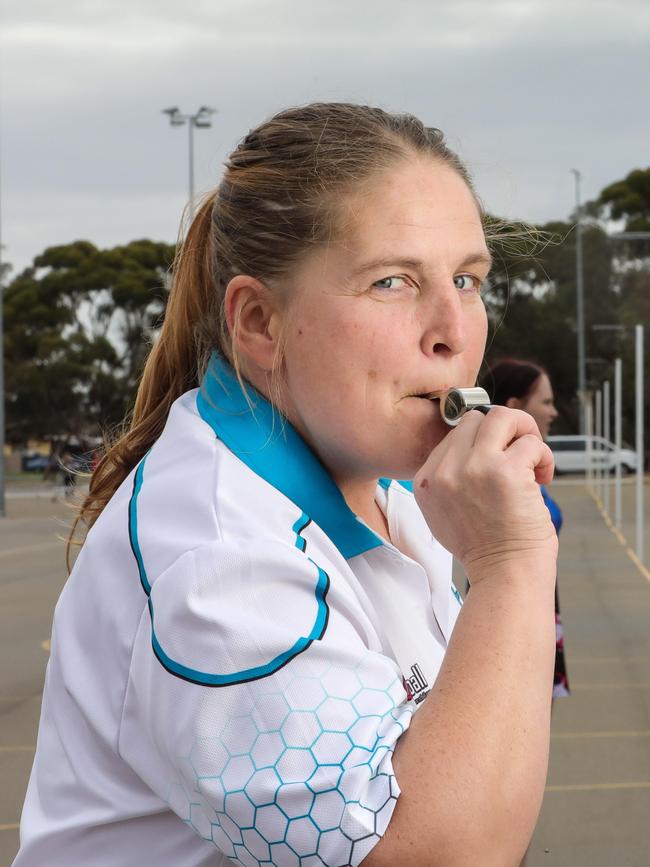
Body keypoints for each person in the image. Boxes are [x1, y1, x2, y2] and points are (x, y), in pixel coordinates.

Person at [14, 104, 558, 867]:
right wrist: (513, 565)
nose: (453, 330)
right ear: (260, 323)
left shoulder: (386, 489)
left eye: (468, 279)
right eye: (392, 281)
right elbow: (433, 854)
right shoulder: (215, 555)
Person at [481, 358, 570, 697]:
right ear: (515, 407)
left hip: (539, 601)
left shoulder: (520, 467)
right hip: (510, 609)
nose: (554, 412)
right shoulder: (495, 475)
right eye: (546, 402)